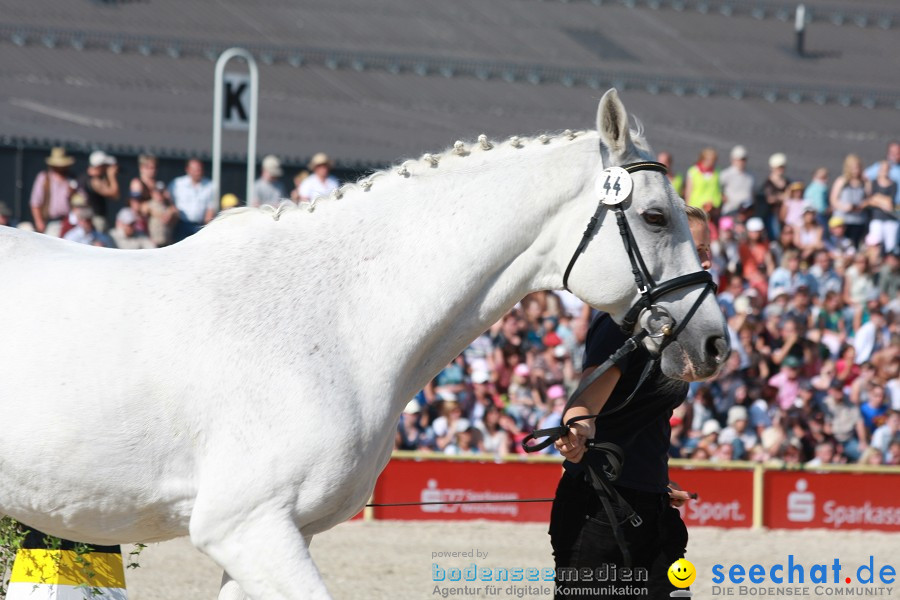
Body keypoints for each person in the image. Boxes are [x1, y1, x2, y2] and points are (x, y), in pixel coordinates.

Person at [549, 204, 712, 600]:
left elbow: (644, 422)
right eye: (695, 248)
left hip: (652, 507)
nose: (705, 259)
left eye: (707, 250)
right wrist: (577, 428)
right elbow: (588, 395)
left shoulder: (679, 330)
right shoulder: (623, 322)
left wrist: (656, 483)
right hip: (599, 512)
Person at [29, 147, 80, 237]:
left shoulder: (72, 179)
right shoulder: (44, 178)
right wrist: (39, 222)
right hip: (51, 222)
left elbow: (81, 201)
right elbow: (35, 203)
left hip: (69, 222)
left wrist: (73, 194)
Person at [129, 154, 177, 247]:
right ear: (142, 168)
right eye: (149, 167)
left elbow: (172, 206)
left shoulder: (159, 185)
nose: (152, 170)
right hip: (142, 229)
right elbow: (136, 208)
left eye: (154, 167)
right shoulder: (137, 184)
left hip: (162, 230)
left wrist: (169, 213)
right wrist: (156, 213)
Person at [169, 158, 216, 241]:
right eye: (194, 169)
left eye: (199, 169)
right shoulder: (177, 184)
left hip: (199, 226)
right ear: (187, 170)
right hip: (180, 225)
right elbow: (168, 200)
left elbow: (210, 210)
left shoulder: (210, 186)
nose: (197, 172)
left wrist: (208, 228)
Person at [830, 154, 868, 248]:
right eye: (853, 168)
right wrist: (844, 207)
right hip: (843, 220)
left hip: (858, 220)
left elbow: (868, 198)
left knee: (854, 245)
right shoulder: (842, 181)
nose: (856, 170)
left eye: (857, 167)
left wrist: (862, 205)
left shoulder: (864, 182)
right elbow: (833, 199)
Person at [81, 150, 120, 232]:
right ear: (99, 166)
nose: (107, 168)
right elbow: (115, 195)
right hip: (96, 221)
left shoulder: (85, 177)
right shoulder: (95, 181)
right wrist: (111, 176)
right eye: (105, 166)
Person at [719, 145, 754, 217]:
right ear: (732, 160)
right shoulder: (726, 174)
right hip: (731, 210)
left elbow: (753, 192)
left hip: (747, 212)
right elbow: (717, 189)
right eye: (738, 159)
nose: (741, 162)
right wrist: (722, 196)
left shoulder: (751, 175)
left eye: (743, 159)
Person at [684, 147, 721, 212]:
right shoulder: (693, 171)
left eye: (713, 160)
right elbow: (688, 192)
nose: (712, 163)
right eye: (710, 160)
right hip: (696, 208)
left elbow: (718, 190)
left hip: (713, 209)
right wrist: (687, 209)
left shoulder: (717, 172)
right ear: (703, 159)